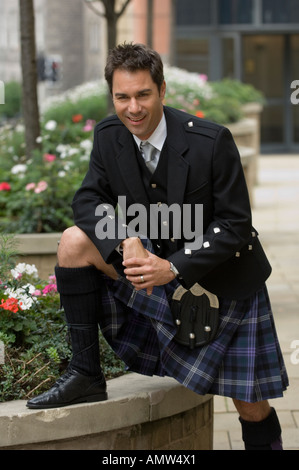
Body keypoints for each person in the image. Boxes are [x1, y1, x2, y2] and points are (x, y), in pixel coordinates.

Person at [27, 43, 288, 451]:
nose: (133, 108)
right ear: (112, 95)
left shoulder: (211, 141)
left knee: (251, 405)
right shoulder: (109, 136)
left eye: (143, 94)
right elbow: (86, 201)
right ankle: (85, 373)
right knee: (74, 242)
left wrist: (175, 267)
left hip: (223, 281)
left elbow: (236, 225)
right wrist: (123, 239)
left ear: (162, 90)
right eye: (122, 97)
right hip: (152, 270)